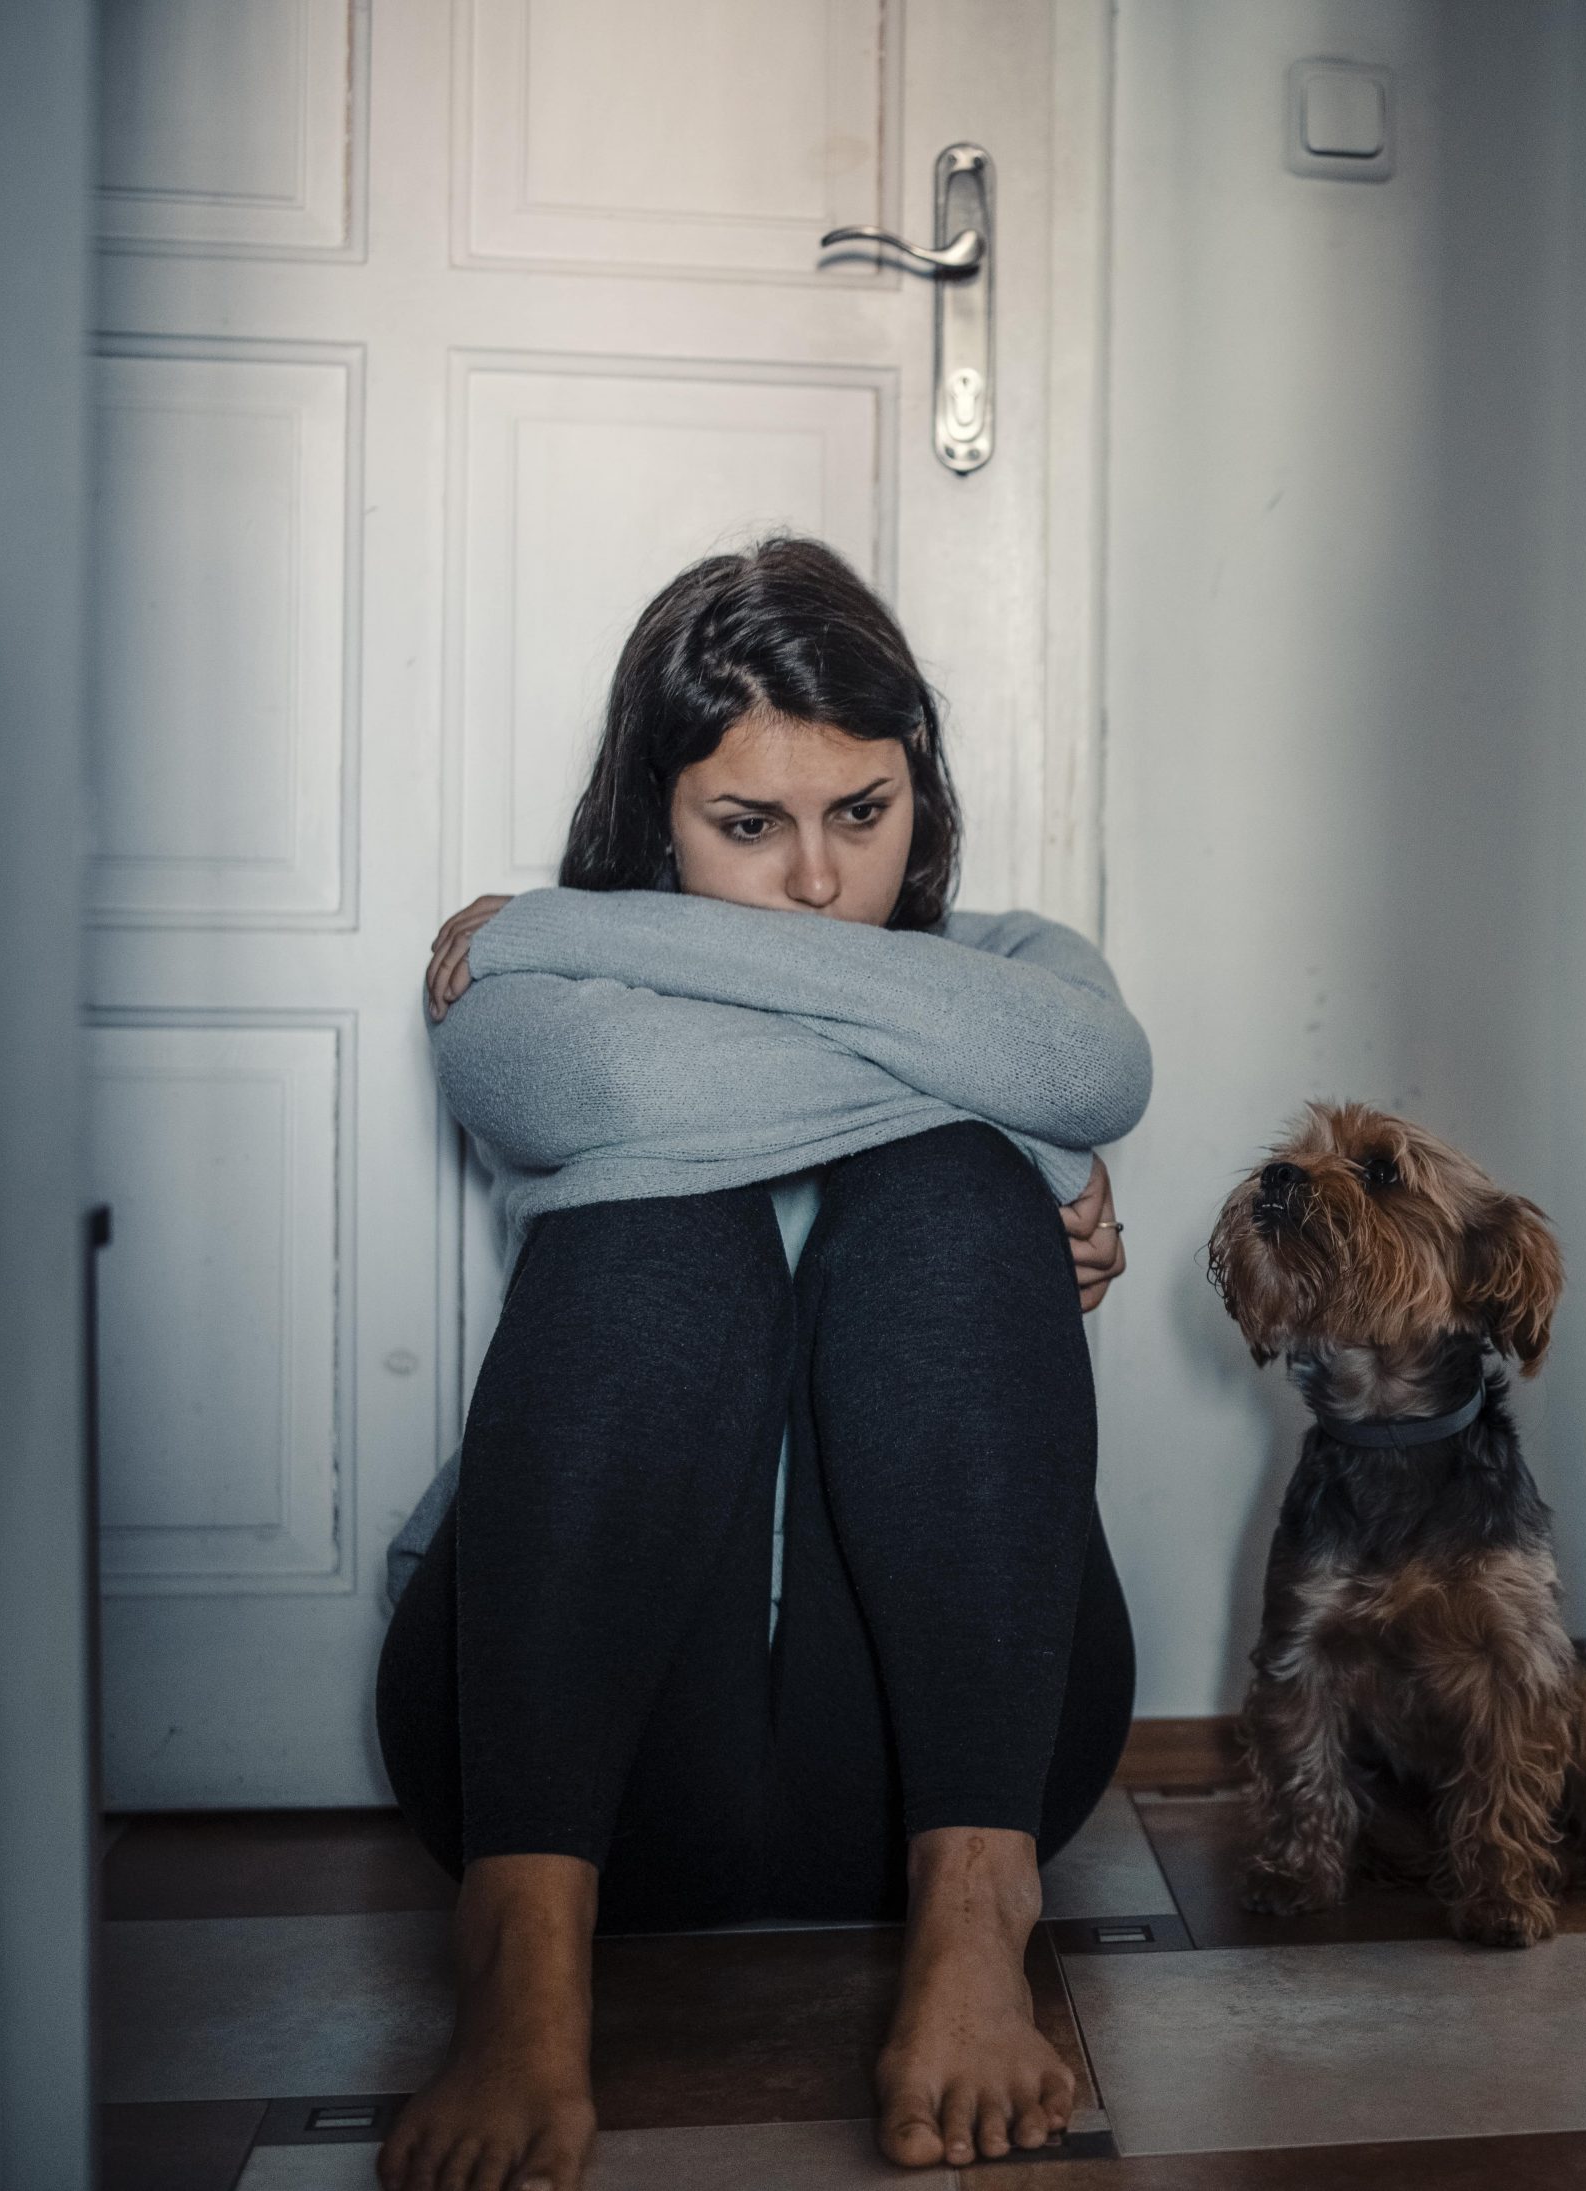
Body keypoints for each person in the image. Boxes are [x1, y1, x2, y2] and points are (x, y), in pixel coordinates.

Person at [371, 537, 1152, 2191]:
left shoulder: (573, 948)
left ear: (917, 794)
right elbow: (606, 1109)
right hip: (581, 1760)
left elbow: (1093, 1062)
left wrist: (594, 934)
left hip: (956, 1767)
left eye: (862, 815)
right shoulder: (529, 991)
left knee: (943, 1198)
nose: (816, 884)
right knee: (670, 1223)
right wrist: (1020, 1138)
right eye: (748, 826)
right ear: (649, 813)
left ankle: (973, 1925)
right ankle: (518, 1956)